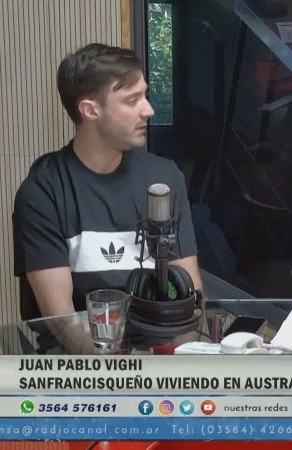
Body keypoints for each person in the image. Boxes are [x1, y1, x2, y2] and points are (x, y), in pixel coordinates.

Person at [13, 43, 203, 324]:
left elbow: (190, 297)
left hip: (158, 345)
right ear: (90, 110)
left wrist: (182, 349)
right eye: (132, 100)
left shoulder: (163, 178)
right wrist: (115, 353)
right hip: (81, 349)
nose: (148, 110)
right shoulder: (43, 191)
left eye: (145, 96)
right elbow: (61, 320)